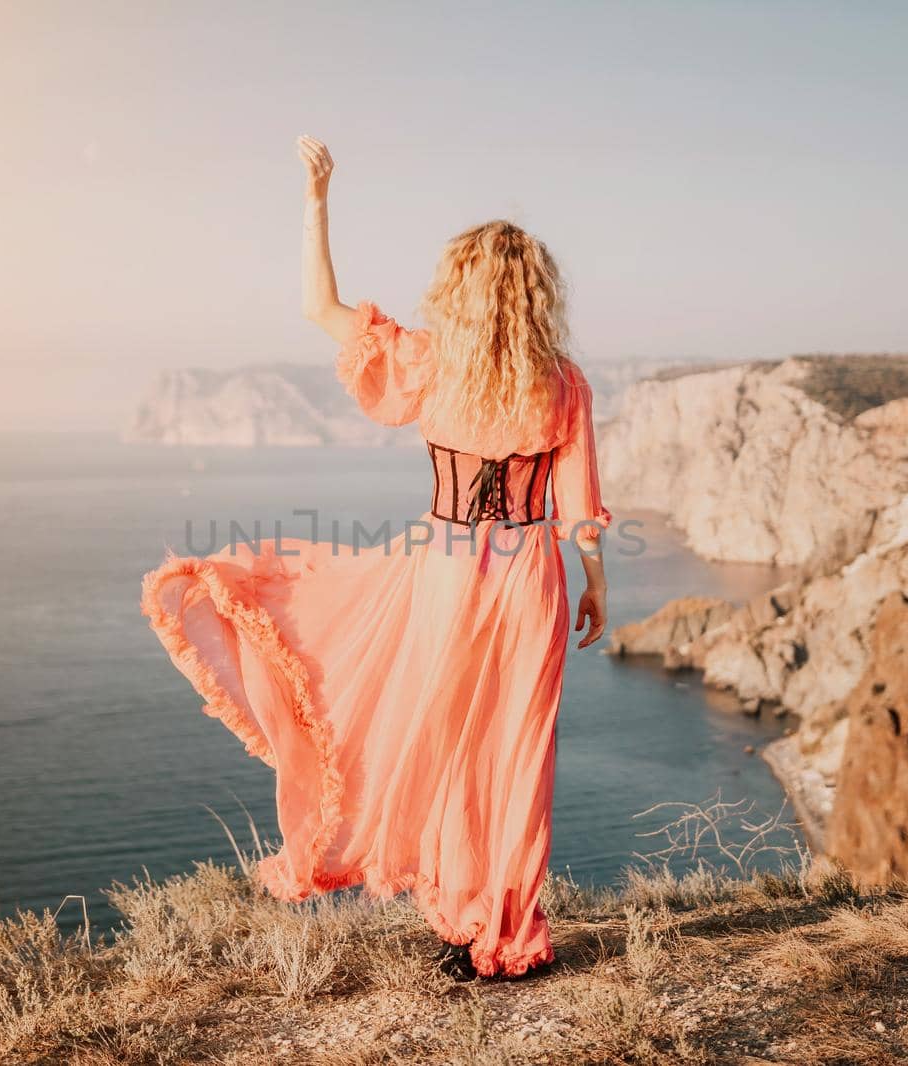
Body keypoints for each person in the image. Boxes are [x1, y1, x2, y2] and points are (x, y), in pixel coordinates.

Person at [140, 134, 611, 979]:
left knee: (445, 747)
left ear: (459, 290)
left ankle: (459, 924)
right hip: (528, 582)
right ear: (535, 295)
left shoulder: (431, 364)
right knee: (516, 754)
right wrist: (597, 590)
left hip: (443, 575)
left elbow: (320, 309)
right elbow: (579, 509)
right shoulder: (564, 381)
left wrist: (317, 201)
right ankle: (504, 928)